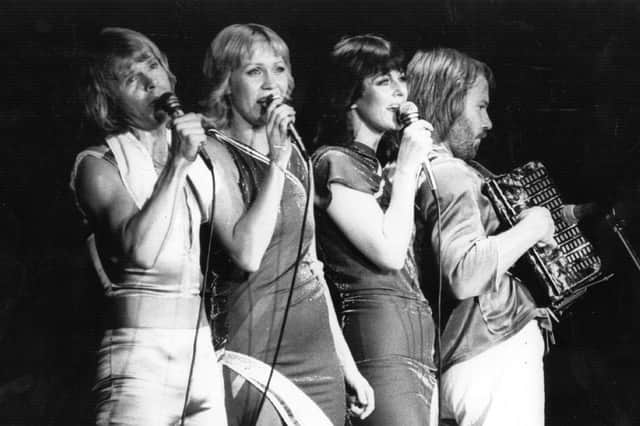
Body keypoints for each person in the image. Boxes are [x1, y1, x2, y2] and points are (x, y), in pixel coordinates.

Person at [200, 23, 373, 426]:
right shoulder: (212, 151)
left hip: (319, 358)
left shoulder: (298, 157)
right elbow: (246, 252)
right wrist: (276, 159)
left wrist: (347, 364)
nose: (270, 84)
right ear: (227, 83)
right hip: (255, 355)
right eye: (253, 71)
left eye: (278, 69)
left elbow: (311, 267)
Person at [69, 27, 227, 425]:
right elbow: (140, 250)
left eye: (153, 65)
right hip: (139, 358)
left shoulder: (197, 158)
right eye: (131, 78)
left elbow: (239, 243)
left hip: (199, 354)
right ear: (108, 100)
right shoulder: (98, 164)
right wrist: (176, 165)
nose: (149, 80)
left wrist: (274, 153)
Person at [407, 47, 556, 426]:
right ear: (448, 102)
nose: (488, 122)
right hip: (492, 357)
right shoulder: (452, 175)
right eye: (480, 107)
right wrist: (533, 227)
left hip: (461, 358)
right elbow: (464, 274)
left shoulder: (417, 172)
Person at [312, 34, 438, 426]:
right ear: (351, 94)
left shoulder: (377, 169)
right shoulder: (333, 162)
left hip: (419, 346)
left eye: (402, 78)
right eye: (384, 81)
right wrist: (406, 169)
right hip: (379, 340)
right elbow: (387, 251)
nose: (401, 91)